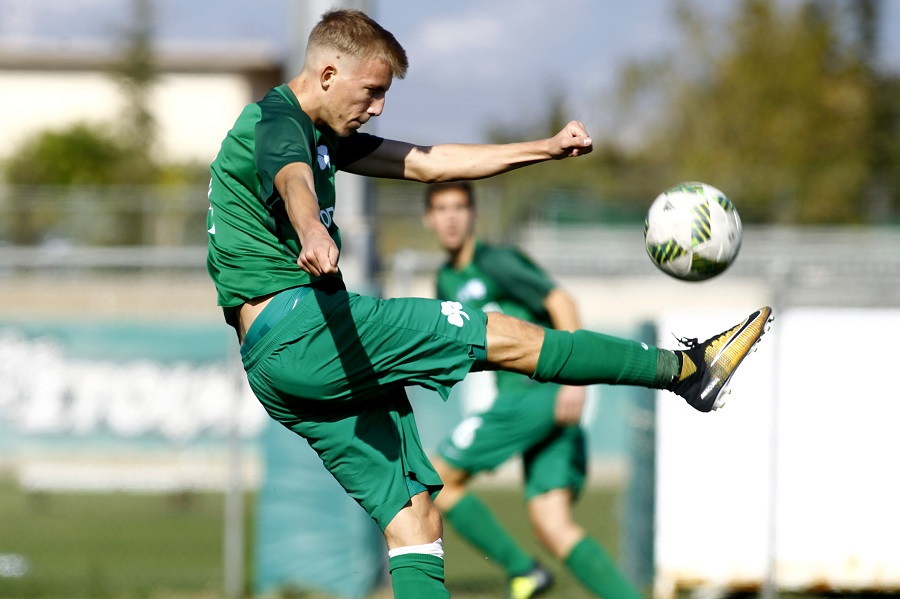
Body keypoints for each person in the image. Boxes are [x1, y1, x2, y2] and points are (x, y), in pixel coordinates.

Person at [205, 9, 773, 599]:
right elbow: (292, 177)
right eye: (372, 91)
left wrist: (545, 148)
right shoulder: (278, 121)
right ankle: (687, 371)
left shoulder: (321, 135)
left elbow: (427, 161)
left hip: (280, 364)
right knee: (505, 336)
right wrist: (312, 230)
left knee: (416, 520)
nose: (377, 107)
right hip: (307, 329)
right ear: (326, 74)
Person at [423, 180, 642, 599]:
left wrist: (574, 377)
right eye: (441, 209)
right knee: (552, 525)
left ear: (473, 215)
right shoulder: (446, 283)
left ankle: (523, 570)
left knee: (438, 479)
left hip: (536, 392)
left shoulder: (497, 262)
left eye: (458, 207)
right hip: (533, 401)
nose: (450, 217)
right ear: (428, 219)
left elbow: (561, 301)